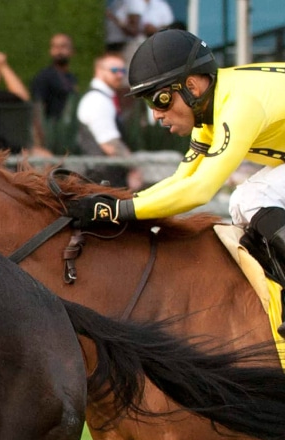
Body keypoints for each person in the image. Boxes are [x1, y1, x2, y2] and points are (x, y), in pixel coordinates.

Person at [65, 30, 285, 329]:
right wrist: (121, 203)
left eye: (160, 99)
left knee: (252, 198)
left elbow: (199, 190)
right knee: (243, 206)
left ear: (192, 86)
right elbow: (182, 179)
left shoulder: (239, 105)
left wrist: (118, 211)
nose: (156, 114)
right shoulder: (209, 114)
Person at [76, 52, 133, 186]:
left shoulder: (104, 98)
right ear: (99, 70)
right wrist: (134, 168)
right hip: (102, 180)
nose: (119, 75)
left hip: (106, 178)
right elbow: (110, 145)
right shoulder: (97, 100)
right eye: (114, 70)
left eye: (122, 71)